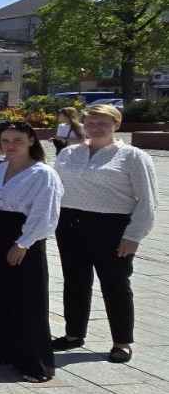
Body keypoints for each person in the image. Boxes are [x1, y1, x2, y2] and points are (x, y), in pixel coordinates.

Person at [52, 104, 157, 364]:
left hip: (111, 227)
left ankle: (122, 341)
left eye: (103, 123)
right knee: (75, 281)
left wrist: (134, 236)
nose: (96, 127)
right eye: (91, 122)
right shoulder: (69, 153)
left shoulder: (132, 156)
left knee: (115, 284)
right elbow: (55, 188)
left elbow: (147, 200)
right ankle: (74, 333)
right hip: (70, 224)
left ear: (116, 124)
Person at [0, 121, 63, 383]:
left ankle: (34, 362)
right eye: (6, 140)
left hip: (21, 235)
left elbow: (45, 213)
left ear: (31, 140)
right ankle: (1, 350)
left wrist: (23, 243)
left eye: (17, 140)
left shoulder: (43, 174)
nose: (11, 146)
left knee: (26, 298)